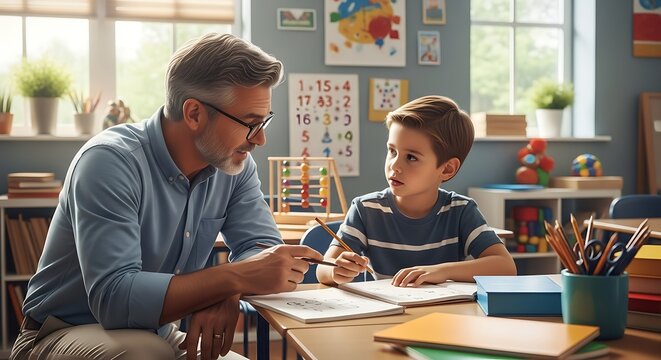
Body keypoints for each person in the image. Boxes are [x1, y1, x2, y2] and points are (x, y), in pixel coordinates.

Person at [11, 33, 323, 360]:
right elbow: (114, 300)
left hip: (157, 334)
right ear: (194, 114)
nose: (260, 139)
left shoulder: (236, 164)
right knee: (144, 353)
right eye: (250, 123)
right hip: (59, 334)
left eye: (264, 121)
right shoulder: (108, 162)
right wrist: (234, 278)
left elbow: (262, 251)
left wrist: (229, 290)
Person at [317, 95, 516, 287]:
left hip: (447, 317)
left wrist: (441, 271)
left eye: (411, 157)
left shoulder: (461, 211)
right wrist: (336, 269)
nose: (394, 166)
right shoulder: (365, 209)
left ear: (446, 169)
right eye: (392, 151)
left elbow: (506, 267)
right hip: (387, 319)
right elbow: (323, 272)